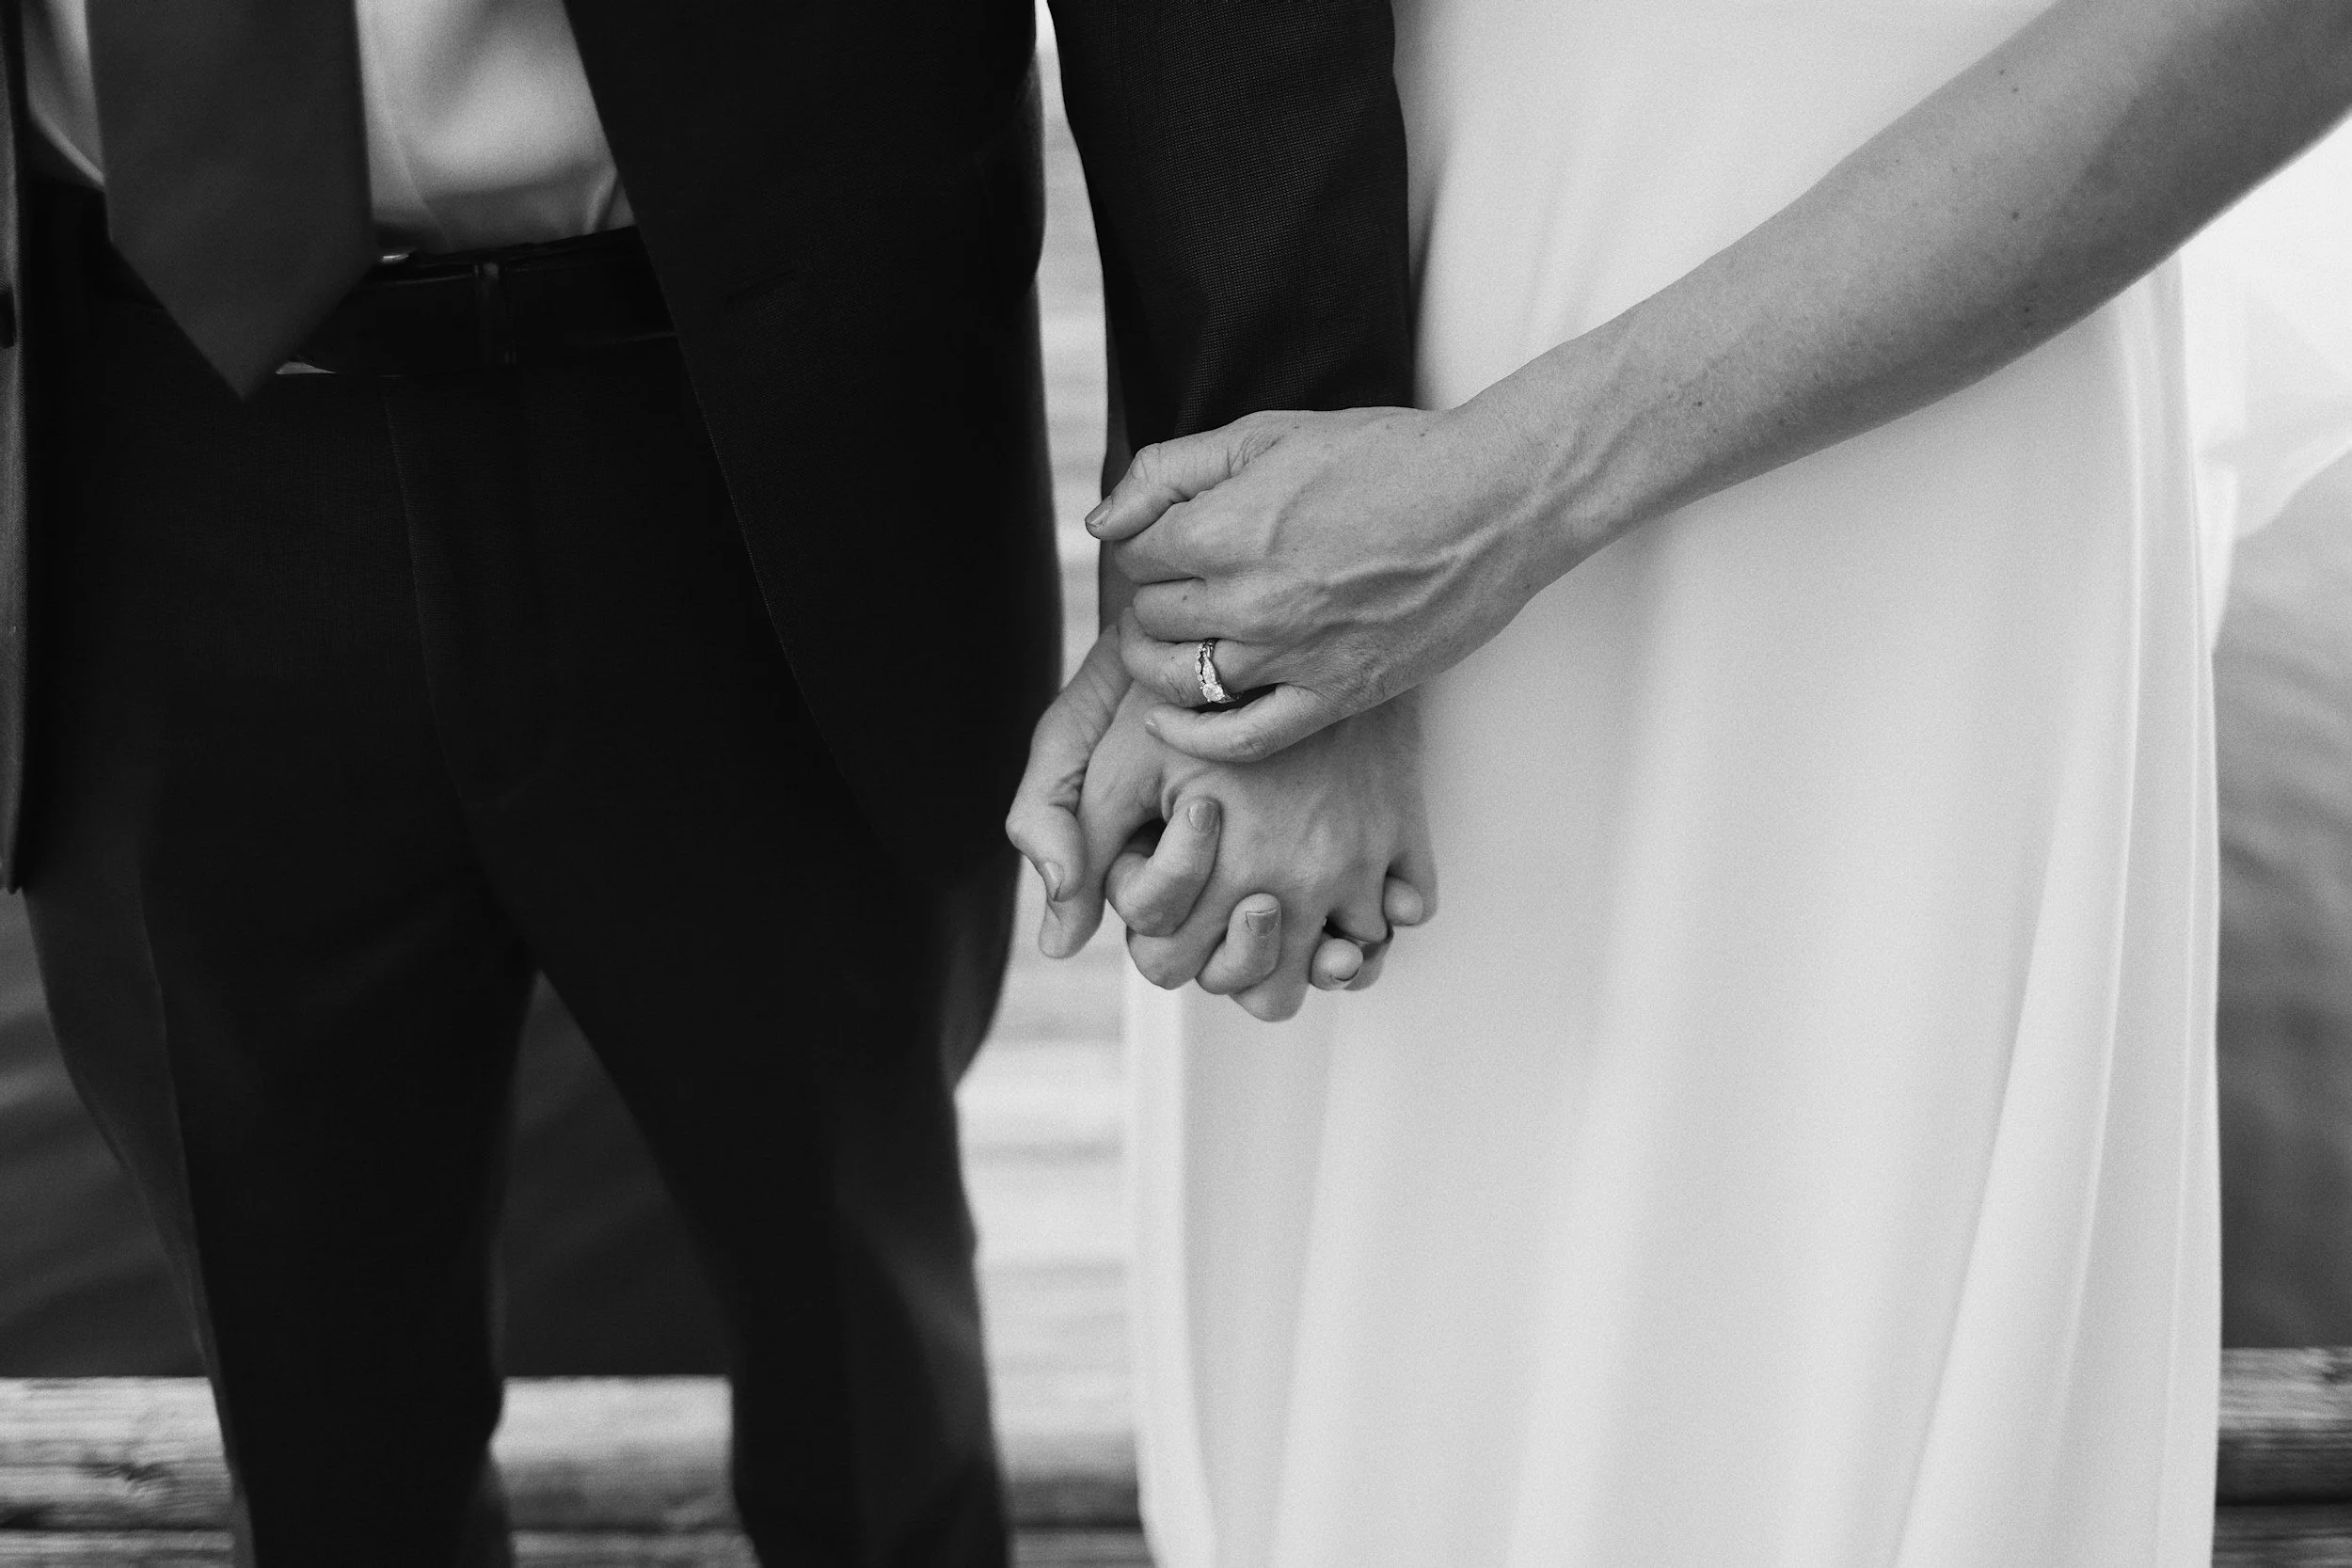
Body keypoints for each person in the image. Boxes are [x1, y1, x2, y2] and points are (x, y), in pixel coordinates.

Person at [0, 2, 1415, 1563]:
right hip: (151, 424)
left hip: (757, 409)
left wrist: (1269, 575)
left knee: (867, 1357)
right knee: (309, 1406)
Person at [1007, 0, 2352, 1562]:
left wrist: (1503, 497)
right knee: (1400, 1374)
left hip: (1920, 374)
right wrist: (1246, 579)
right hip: (1397, 325)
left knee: (1822, 1356)